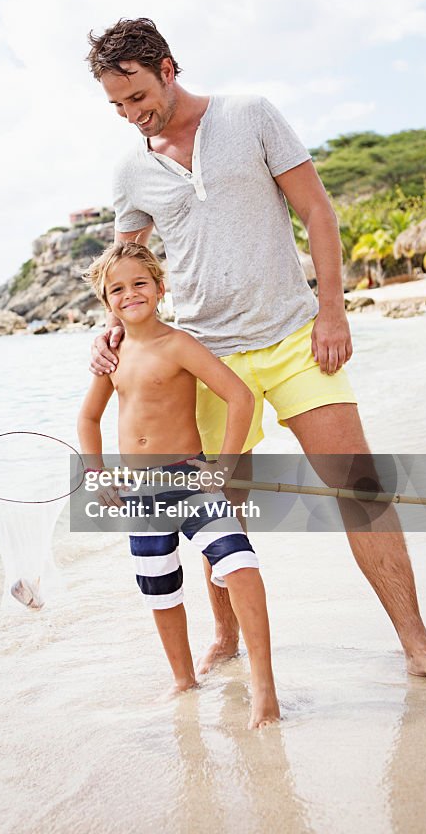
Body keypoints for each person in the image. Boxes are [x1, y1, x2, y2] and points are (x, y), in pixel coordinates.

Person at [84, 17, 426, 694]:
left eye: (137, 95)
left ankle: (418, 645)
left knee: (361, 489)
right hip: (206, 354)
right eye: (116, 105)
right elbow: (125, 261)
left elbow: (317, 212)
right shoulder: (131, 169)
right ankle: (227, 638)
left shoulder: (250, 115)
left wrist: (332, 310)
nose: (130, 113)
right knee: (215, 506)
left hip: (296, 338)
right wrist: (110, 328)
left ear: (168, 68)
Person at [77, 241, 280, 728]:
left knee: (240, 565)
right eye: (117, 290)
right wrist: (95, 473)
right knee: (161, 588)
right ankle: (183, 679)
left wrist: (224, 467)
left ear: (160, 288)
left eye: (139, 283)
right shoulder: (113, 356)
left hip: (191, 481)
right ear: (108, 304)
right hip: (139, 492)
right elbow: (87, 418)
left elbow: (239, 397)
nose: (130, 294)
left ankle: (266, 690)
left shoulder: (179, 344)